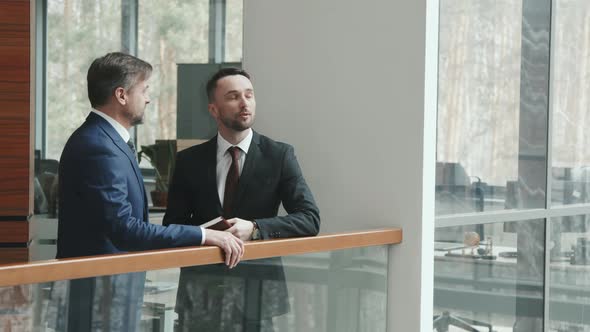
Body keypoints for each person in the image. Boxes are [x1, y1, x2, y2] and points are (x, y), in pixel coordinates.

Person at [56, 53, 244, 331]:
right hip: (100, 296)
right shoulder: (98, 146)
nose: (148, 99)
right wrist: (204, 235)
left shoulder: (106, 140)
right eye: (144, 90)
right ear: (121, 95)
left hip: (111, 292)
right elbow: (125, 229)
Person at [163, 67, 320, 331]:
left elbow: (309, 219)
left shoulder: (279, 155)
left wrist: (257, 228)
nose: (244, 102)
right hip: (201, 292)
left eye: (249, 95)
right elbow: (173, 224)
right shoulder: (189, 160)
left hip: (257, 294)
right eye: (233, 96)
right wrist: (208, 235)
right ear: (214, 109)